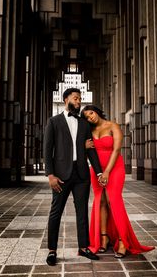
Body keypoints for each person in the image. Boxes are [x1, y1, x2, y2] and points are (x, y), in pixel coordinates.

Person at [81, 105, 155, 258]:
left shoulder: (113, 125)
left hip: (114, 168)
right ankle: (104, 238)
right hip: (96, 170)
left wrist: (107, 171)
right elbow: (86, 151)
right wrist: (98, 170)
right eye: (87, 117)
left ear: (96, 111)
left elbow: (116, 150)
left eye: (91, 113)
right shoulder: (89, 131)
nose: (91, 117)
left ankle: (122, 240)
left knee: (113, 201)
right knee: (100, 201)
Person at [44, 89, 103, 266]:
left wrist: (99, 172)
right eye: (75, 98)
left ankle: (84, 247)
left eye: (80, 99)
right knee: (56, 212)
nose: (78, 102)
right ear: (65, 100)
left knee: (82, 211)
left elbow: (90, 148)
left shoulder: (84, 124)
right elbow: (47, 151)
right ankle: (52, 250)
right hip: (61, 175)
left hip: (82, 174)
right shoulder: (53, 122)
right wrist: (50, 174)